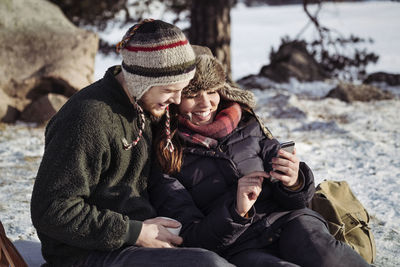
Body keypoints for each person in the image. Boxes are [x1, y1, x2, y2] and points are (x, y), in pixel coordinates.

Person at [30, 20, 234, 267]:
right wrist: (134, 232)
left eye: (182, 89)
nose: (178, 99)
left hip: (141, 237)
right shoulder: (87, 119)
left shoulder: (145, 106)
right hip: (86, 254)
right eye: (170, 89)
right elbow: (52, 210)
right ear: (140, 81)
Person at [150, 53, 371, 267]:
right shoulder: (168, 156)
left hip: (288, 222)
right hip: (239, 247)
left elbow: (299, 201)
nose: (205, 103)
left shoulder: (248, 123)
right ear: (174, 98)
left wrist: (294, 181)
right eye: (192, 94)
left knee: (328, 256)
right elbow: (190, 238)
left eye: (212, 91)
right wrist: (236, 211)